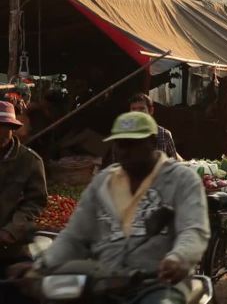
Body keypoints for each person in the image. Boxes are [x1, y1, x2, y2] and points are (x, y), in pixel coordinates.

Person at [15, 112, 210, 304]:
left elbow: (193, 230)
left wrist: (178, 258)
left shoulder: (181, 179)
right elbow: (74, 236)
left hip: (159, 283)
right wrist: (42, 266)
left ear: (151, 142)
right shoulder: (103, 182)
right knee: (49, 294)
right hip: (104, 281)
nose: (123, 151)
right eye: (119, 143)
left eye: (131, 144)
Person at [0, 101, 47, 304]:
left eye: (2, 128)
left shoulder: (30, 162)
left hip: (11, 248)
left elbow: (34, 203)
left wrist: (11, 231)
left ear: (12, 129)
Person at [129, 93, 179, 160]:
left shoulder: (164, 135)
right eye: (133, 109)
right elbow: (116, 165)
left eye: (142, 109)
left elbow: (175, 163)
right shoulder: (123, 137)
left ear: (151, 111)